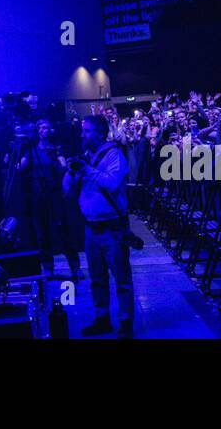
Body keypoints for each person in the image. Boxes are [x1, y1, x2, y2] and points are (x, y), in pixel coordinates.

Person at [64, 114, 136, 337]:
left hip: (112, 228)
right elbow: (67, 192)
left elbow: (113, 184)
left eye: (86, 131)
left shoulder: (114, 155)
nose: (82, 135)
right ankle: (102, 317)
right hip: (91, 228)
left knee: (121, 278)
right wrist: (69, 172)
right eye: (82, 131)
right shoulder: (86, 156)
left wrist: (87, 170)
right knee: (97, 278)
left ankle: (125, 322)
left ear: (100, 133)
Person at [19, 119, 81, 280]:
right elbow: (20, 167)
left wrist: (57, 159)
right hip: (38, 196)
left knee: (63, 230)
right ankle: (48, 268)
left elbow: (62, 166)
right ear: (38, 130)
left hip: (55, 194)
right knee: (42, 232)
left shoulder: (56, 148)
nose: (46, 130)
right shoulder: (32, 150)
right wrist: (12, 155)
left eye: (48, 127)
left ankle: (75, 267)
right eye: (43, 127)